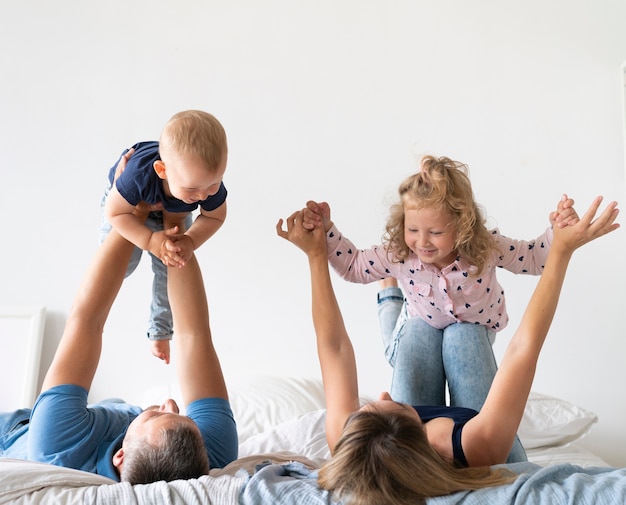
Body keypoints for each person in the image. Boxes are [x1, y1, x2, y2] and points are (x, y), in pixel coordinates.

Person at [277, 195, 619, 505]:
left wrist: (316, 255)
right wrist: (561, 251)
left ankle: (392, 296)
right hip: (478, 455)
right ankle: (397, 301)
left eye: (365, 410)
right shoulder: (478, 447)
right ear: (421, 431)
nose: (382, 392)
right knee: (460, 333)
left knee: (420, 329)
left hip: (410, 430)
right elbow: (523, 349)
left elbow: (333, 346)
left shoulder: (352, 443)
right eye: (386, 405)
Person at [304, 155, 577, 462]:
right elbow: (354, 265)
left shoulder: (484, 247)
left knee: (457, 334)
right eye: (413, 230)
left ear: (463, 225)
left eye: (435, 233)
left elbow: (531, 257)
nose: (422, 243)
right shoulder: (400, 253)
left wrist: (557, 231)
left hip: (471, 325)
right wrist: (327, 232)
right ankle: (391, 298)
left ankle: (390, 296)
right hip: (423, 320)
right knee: (420, 331)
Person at [0, 156, 237, 484]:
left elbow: (87, 319)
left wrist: (135, 208)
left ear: (120, 456)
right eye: (181, 415)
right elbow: (194, 334)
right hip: (106, 416)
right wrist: (175, 220)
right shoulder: (208, 454)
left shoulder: (59, 444)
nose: (170, 402)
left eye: (157, 414)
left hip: (15, 432)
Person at [100, 109, 228, 363]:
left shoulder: (204, 181)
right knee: (122, 265)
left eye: (213, 185)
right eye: (193, 188)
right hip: (128, 204)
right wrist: (149, 240)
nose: (204, 196)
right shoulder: (137, 176)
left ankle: (160, 331)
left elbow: (215, 216)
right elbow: (114, 213)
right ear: (162, 170)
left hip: (174, 210)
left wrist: (191, 240)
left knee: (172, 263)